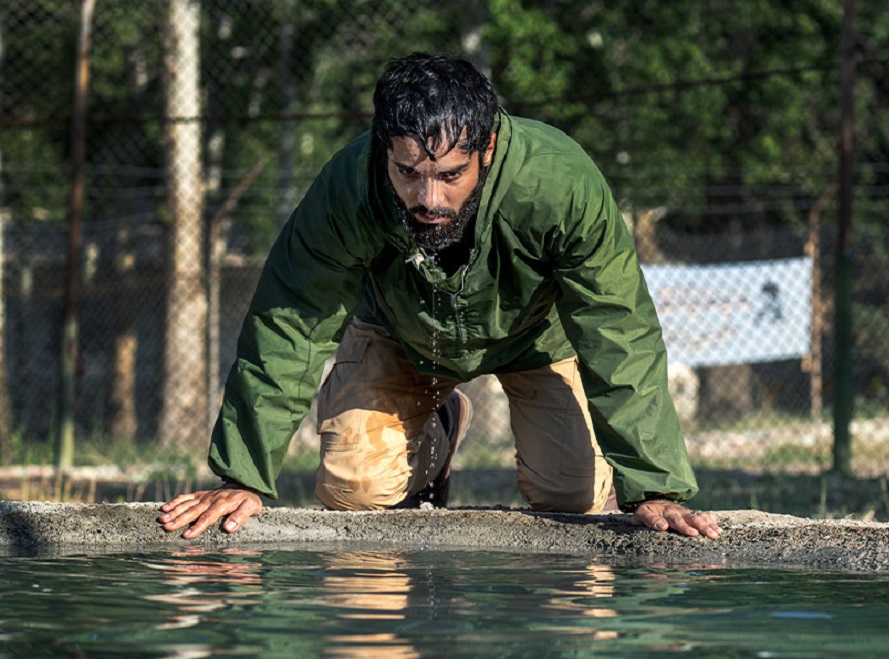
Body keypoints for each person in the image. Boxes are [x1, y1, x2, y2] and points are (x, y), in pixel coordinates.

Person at [159, 52, 721, 541]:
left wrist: (654, 486)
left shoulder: (561, 184)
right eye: (407, 172)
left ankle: (472, 429)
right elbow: (292, 320)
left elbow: (618, 329)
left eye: (451, 175)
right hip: (399, 332)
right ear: (383, 149)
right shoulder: (347, 187)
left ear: (489, 146)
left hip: (536, 338)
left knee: (571, 497)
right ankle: (434, 437)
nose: (429, 197)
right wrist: (242, 477)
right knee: (354, 488)